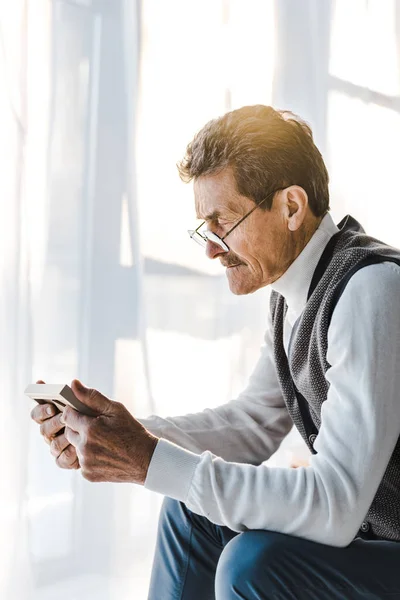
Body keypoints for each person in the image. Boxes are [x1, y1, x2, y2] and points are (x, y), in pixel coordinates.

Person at [31, 105, 400, 599]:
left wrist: (145, 460)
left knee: (251, 565)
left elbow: (335, 505)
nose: (210, 248)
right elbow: (251, 422)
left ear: (291, 207)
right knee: (189, 509)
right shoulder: (292, 295)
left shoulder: (369, 289)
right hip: (374, 540)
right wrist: (123, 437)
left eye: (222, 221)